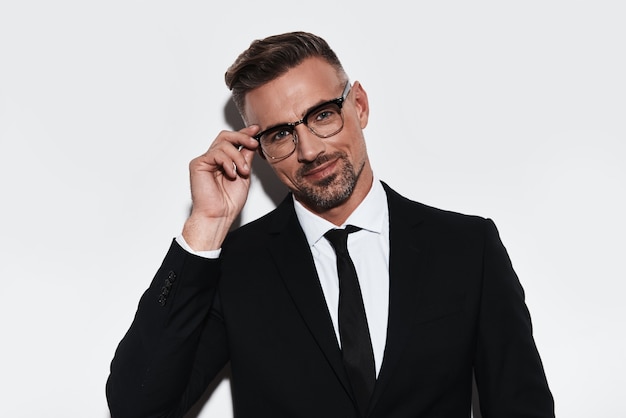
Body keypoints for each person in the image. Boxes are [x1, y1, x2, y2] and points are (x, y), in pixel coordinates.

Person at [106, 31, 554, 417]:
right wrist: (205, 225)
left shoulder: (466, 248)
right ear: (258, 147)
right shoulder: (238, 267)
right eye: (281, 133)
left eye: (322, 114)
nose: (309, 150)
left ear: (358, 105)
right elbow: (138, 406)